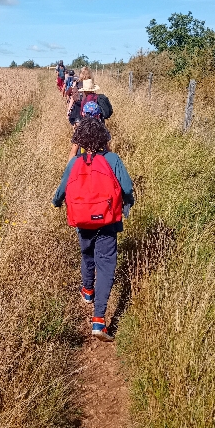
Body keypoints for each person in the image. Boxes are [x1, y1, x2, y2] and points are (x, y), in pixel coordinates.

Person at [52, 118, 134, 342]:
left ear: (80, 141)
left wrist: (56, 202)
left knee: (87, 253)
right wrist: (129, 202)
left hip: (82, 221)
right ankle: (99, 320)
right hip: (107, 222)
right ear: (104, 138)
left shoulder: (75, 162)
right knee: (106, 264)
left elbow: (61, 190)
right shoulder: (113, 159)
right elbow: (127, 188)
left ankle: (87, 290)